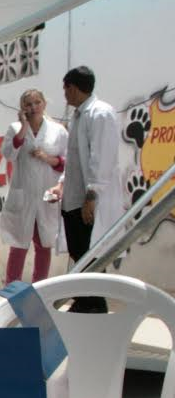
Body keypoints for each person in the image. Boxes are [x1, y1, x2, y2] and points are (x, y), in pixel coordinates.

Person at [59, 65, 124, 312]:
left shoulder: (100, 113)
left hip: (88, 201)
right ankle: (85, 302)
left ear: (73, 88)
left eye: (65, 88)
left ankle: (94, 307)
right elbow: (75, 159)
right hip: (73, 200)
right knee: (79, 255)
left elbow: (102, 158)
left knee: (92, 258)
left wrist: (92, 195)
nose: (64, 94)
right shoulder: (79, 116)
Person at [0, 88, 67, 284]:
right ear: (22, 108)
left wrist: (47, 158)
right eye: (28, 104)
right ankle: (12, 290)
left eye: (37, 102)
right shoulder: (14, 128)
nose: (33, 107)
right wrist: (22, 128)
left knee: (44, 244)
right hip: (24, 195)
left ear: (44, 104)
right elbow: (9, 154)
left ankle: (40, 288)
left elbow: (66, 163)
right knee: (19, 244)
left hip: (47, 194)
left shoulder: (58, 131)